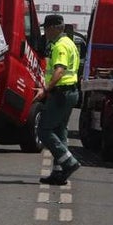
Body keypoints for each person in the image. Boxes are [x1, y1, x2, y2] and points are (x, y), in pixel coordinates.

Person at [35, 14, 81, 185]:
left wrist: (46, 89)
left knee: (44, 130)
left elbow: (59, 71)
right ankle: (58, 172)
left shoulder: (60, 46)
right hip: (69, 93)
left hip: (61, 94)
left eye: (46, 28)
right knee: (60, 132)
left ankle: (69, 162)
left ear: (54, 28)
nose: (45, 32)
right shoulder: (69, 43)